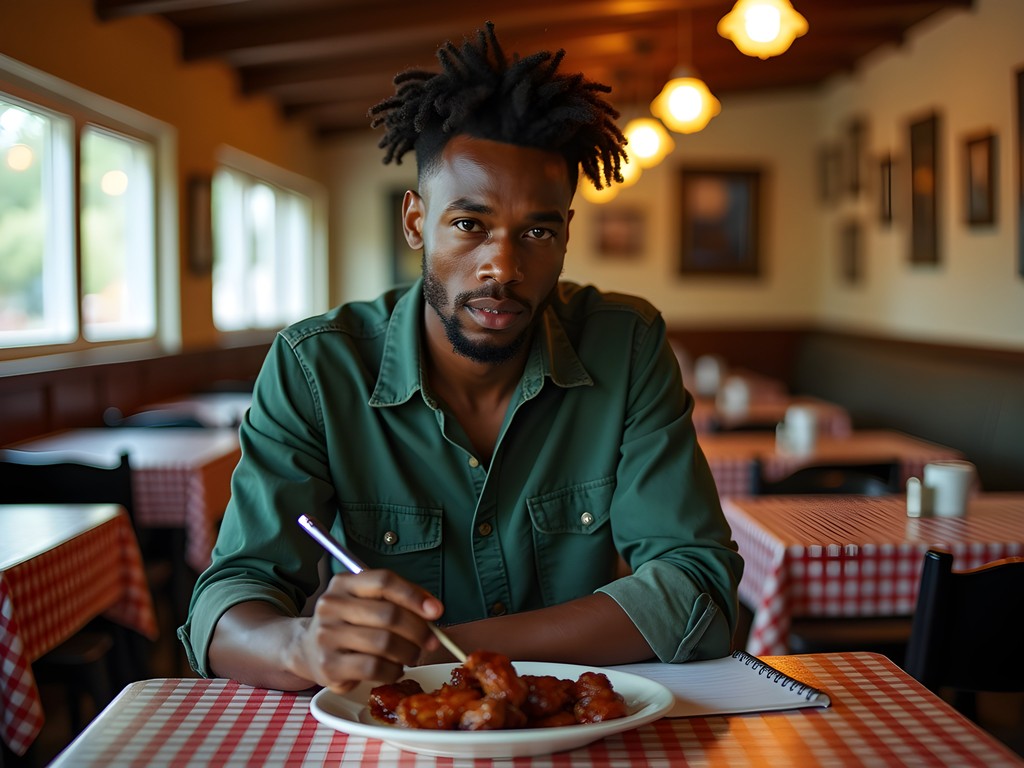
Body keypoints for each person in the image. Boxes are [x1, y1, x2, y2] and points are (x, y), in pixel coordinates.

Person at [178, 22, 743, 695]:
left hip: (567, 723)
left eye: (537, 230)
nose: (501, 266)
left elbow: (697, 590)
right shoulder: (315, 368)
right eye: (469, 224)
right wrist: (301, 645)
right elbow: (227, 601)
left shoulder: (626, 345)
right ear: (417, 221)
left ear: (565, 236)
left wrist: (444, 651)